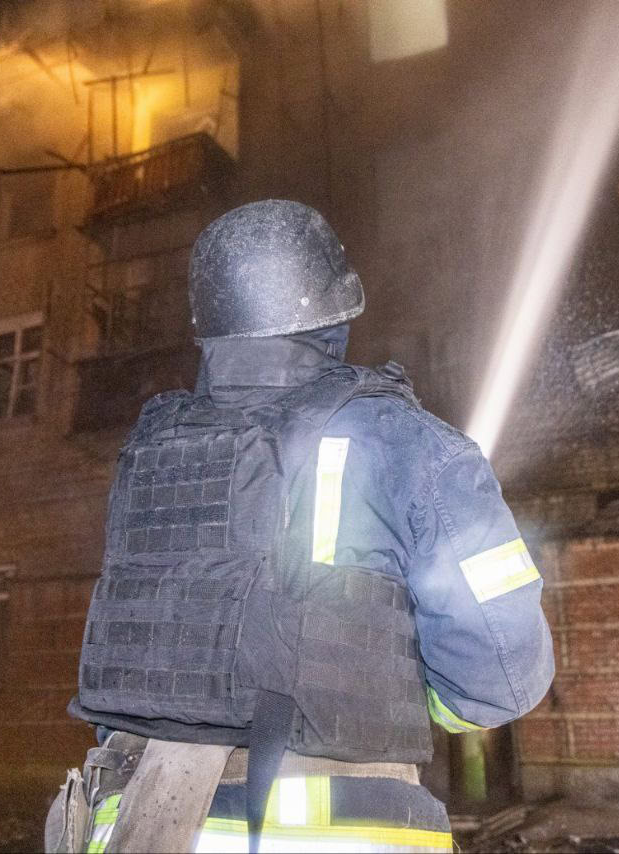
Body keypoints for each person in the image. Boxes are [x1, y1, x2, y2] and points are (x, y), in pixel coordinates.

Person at [47, 199, 554, 853]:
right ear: (336, 313)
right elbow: (501, 681)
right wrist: (394, 689)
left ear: (209, 325)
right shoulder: (414, 446)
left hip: (134, 819)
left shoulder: (150, 450)